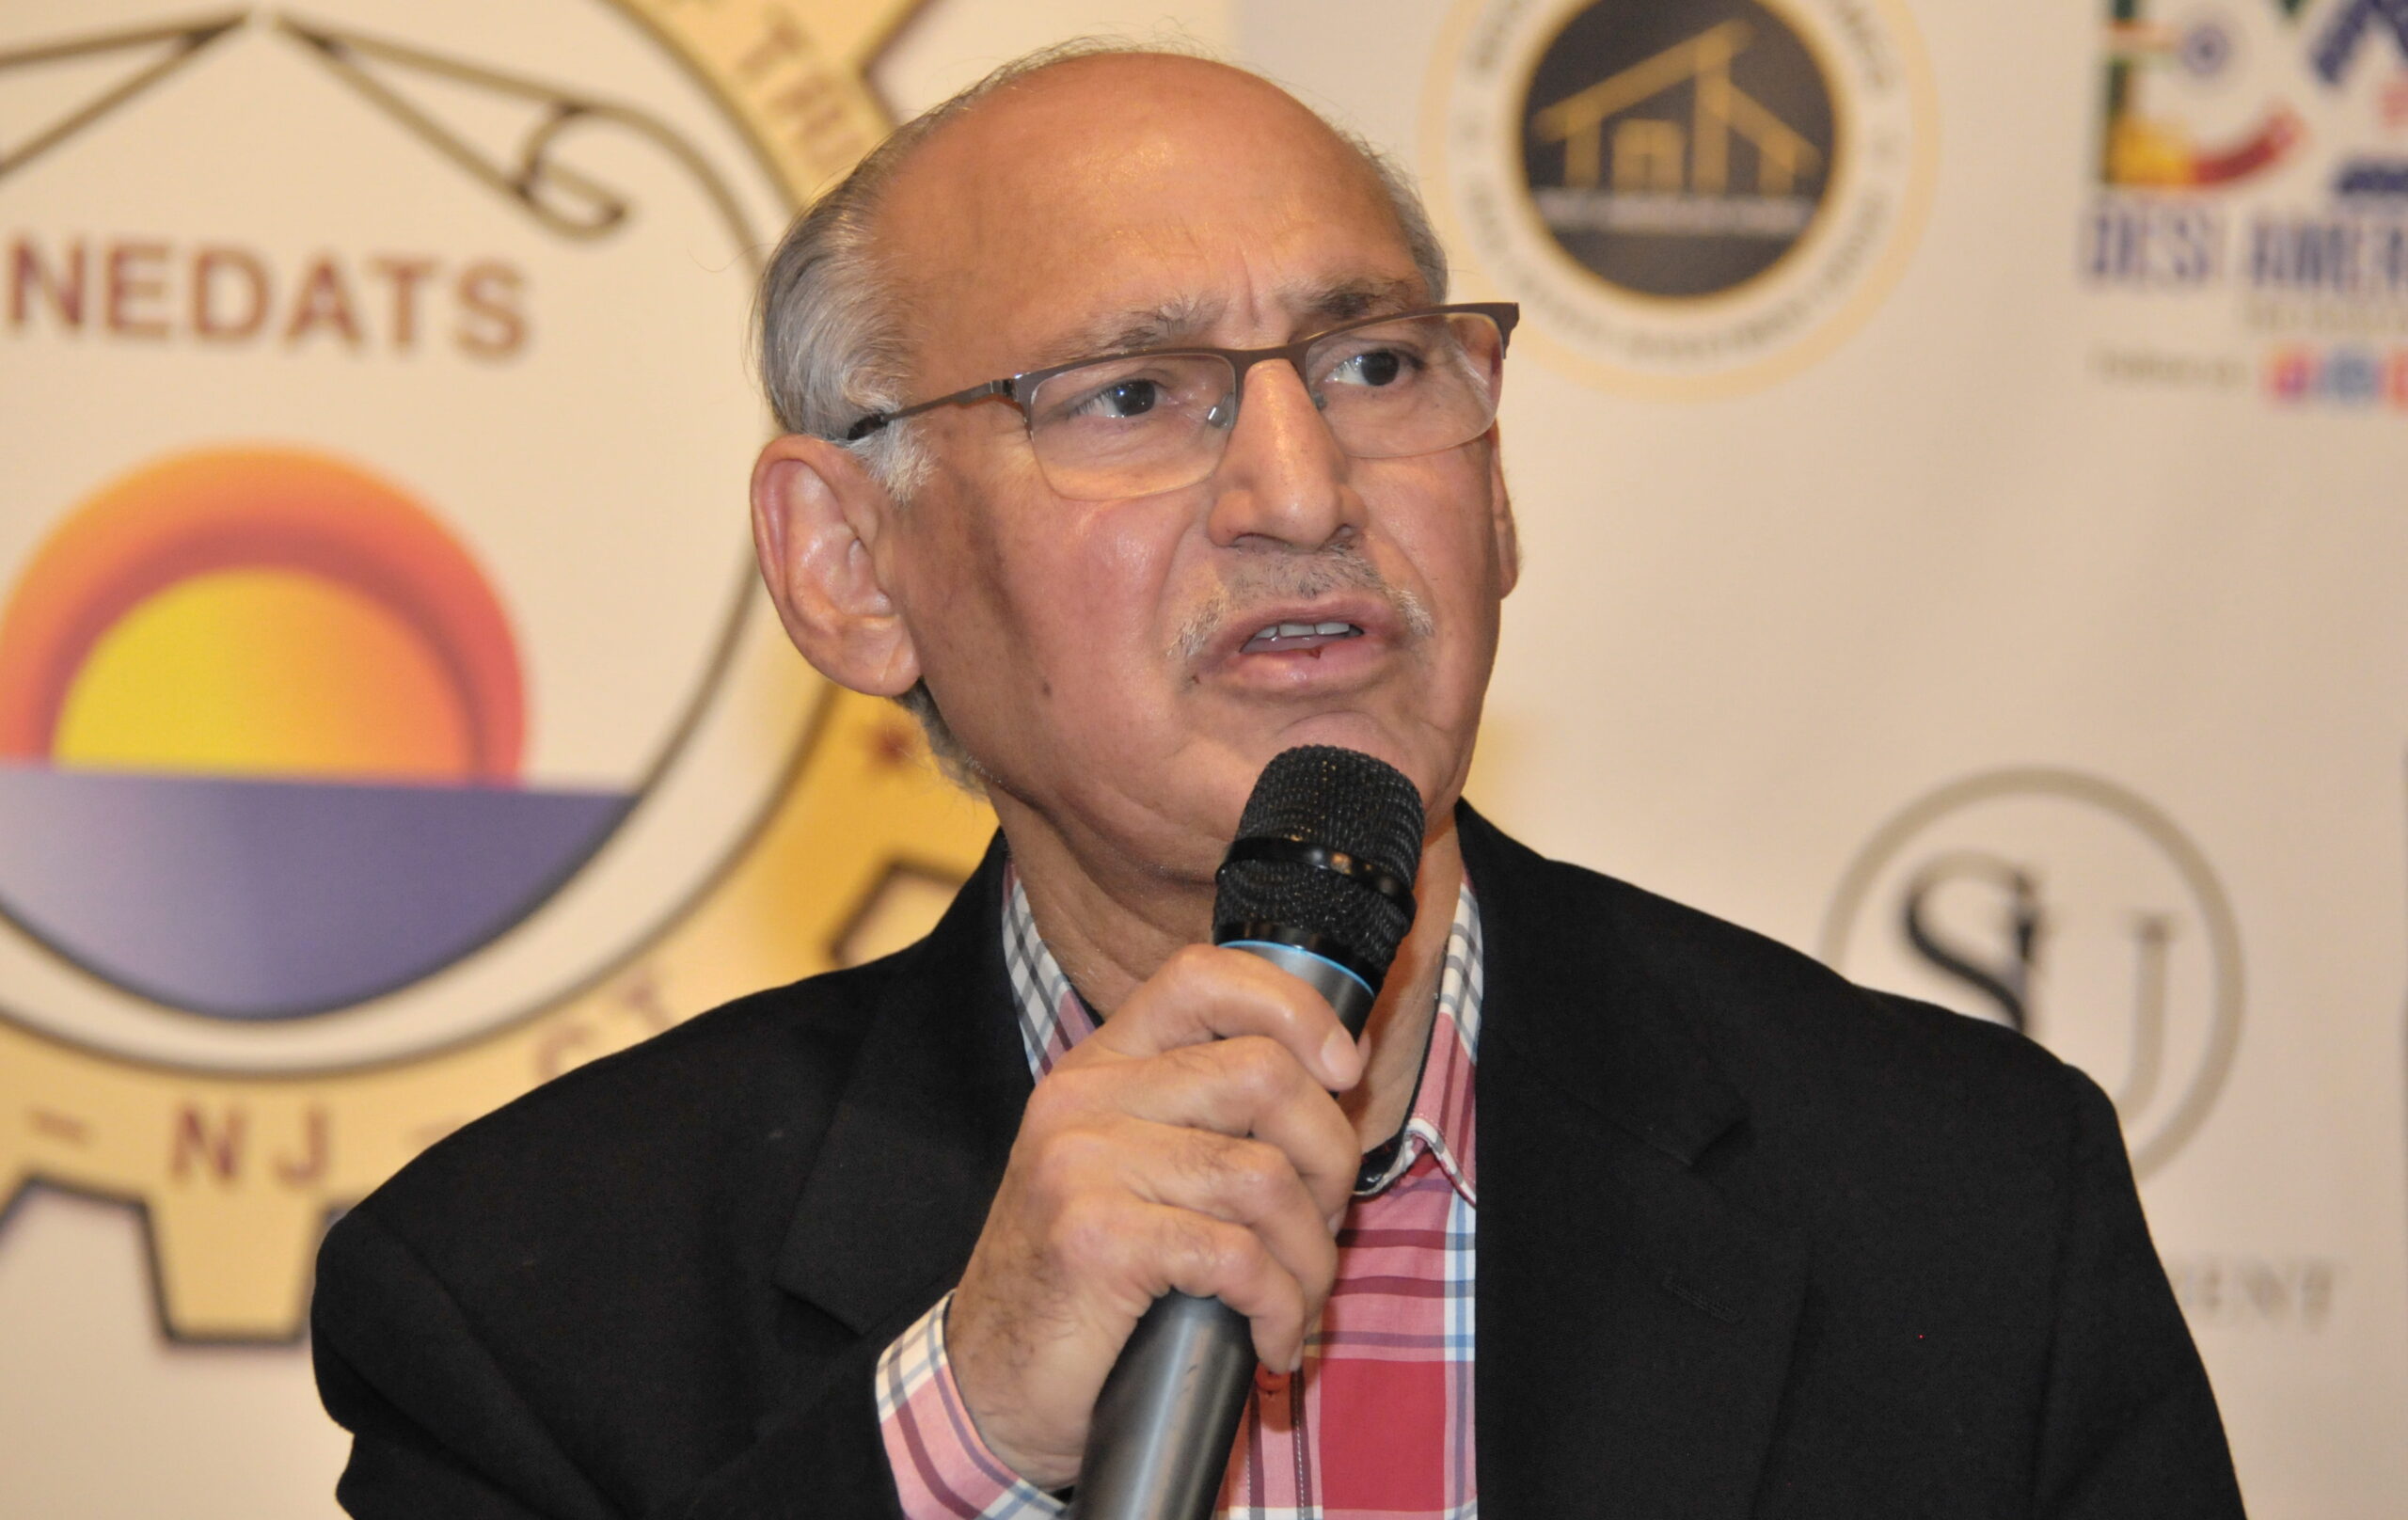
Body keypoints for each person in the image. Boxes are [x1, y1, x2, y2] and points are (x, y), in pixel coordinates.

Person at [311, 42, 2246, 1519]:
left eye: (1376, 367)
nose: (1303, 491)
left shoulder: (1967, 1206)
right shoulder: (532, 1298)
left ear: (1495, 488)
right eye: (1132, 396)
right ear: (851, 568)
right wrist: (961, 1438)